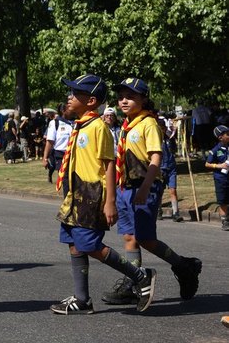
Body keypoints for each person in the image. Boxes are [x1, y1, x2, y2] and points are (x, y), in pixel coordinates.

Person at [50, 74, 156, 315]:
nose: (69, 97)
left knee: (90, 245)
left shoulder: (99, 128)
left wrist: (110, 202)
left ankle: (139, 276)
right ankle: (82, 299)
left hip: (92, 195)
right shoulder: (80, 125)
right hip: (75, 194)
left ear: (91, 101)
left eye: (75, 94)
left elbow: (110, 164)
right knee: (73, 243)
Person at [101, 78, 202, 307]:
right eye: (121, 96)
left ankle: (184, 266)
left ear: (144, 99)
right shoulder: (128, 125)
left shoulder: (148, 123)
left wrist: (145, 188)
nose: (124, 100)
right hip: (127, 187)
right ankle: (133, 282)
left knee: (145, 238)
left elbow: (155, 158)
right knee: (129, 237)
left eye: (130, 96)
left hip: (145, 186)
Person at [156, 117, 183, 222]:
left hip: (171, 167)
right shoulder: (155, 140)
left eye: (163, 128)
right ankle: (158, 210)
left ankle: (176, 213)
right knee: (159, 191)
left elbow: (174, 150)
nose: (162, 130)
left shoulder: (169, 138)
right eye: (160, 128)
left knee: (173, 190)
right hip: (160, 168)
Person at [43, 103, 74, 190]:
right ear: (63, 111)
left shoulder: (75, 123)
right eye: (69, 108)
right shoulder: (54, 123)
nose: (72, 110)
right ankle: (67, 202)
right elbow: (49, 142)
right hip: (61, 156)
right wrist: (45, 158)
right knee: (66, 180)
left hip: (74, 155)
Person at [205, 124, 229, 231]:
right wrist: (219, 165)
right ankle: (225, 220)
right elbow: (207, 164)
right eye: (227, 134)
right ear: (220, 137)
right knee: (222, 201)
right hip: (221, 179)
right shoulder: (215, 150)